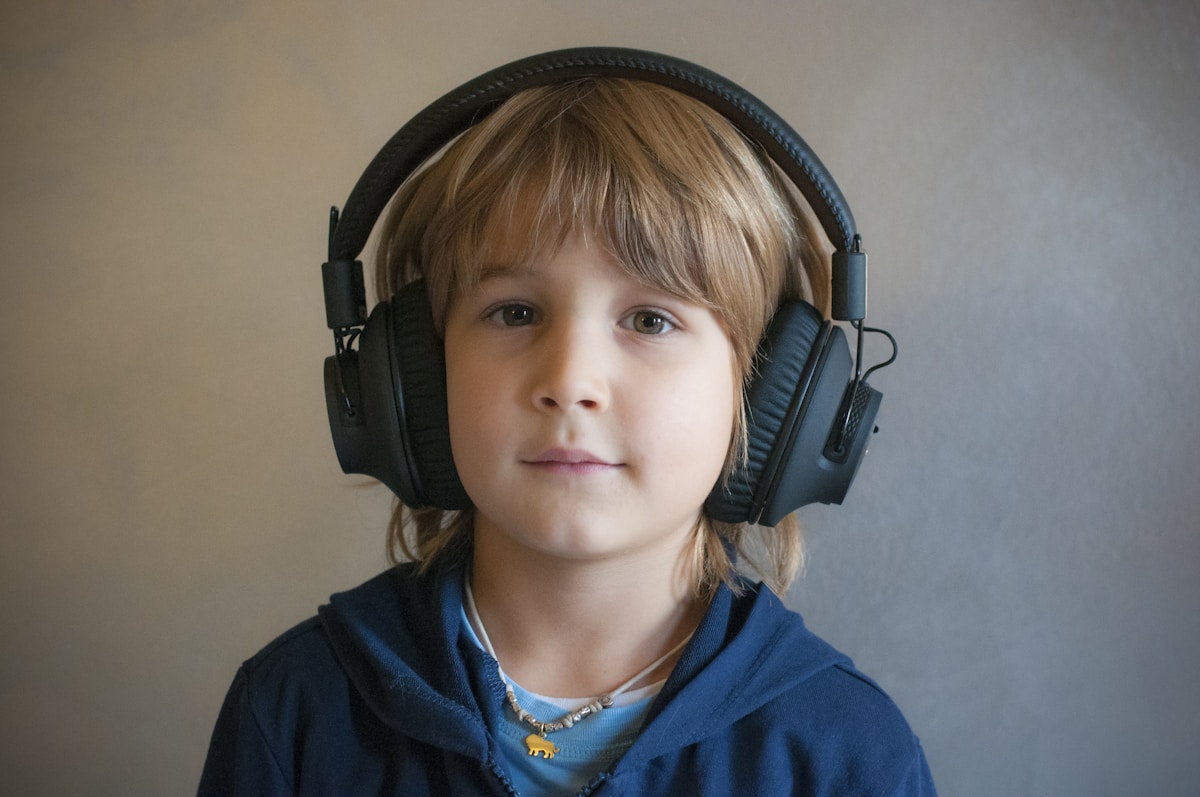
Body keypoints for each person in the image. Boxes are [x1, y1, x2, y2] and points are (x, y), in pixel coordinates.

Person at [198, 65, 935, 796]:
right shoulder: (295, 710)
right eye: (514, 312)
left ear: (767, 392)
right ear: (413, 378)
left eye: (650, 319)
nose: (570, 381)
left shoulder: (849, 753)